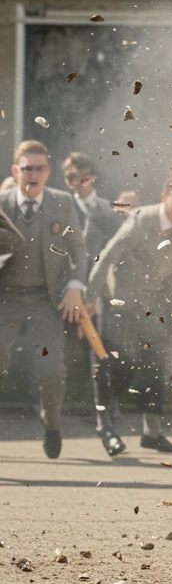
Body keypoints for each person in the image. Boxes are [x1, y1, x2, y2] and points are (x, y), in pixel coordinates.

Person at [85, 174, 172, 454]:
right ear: (164, 196)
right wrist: (90, 297)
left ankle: (152, 432)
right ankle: (104, 424)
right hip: (118, 300)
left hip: (151, 303)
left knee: (155, 362)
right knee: (119, 364)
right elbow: (108, 255)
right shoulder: (141, 220)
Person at [0, 140, 90, 458]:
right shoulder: (1, 203)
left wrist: (76, 286)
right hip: (5, 299)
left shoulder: (61, 203)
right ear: (16, 170)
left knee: (51, 369)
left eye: (40, 168)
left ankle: (51, 423)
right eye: (27, 168)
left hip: (45, 300)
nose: (33, 175)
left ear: (48, 171)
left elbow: (78, 249)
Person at [62, 152, 124, 264]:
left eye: (83, 176)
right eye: (72, 177)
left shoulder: (110, 204)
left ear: (92, 176)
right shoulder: (64, 209)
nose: (77, 182)